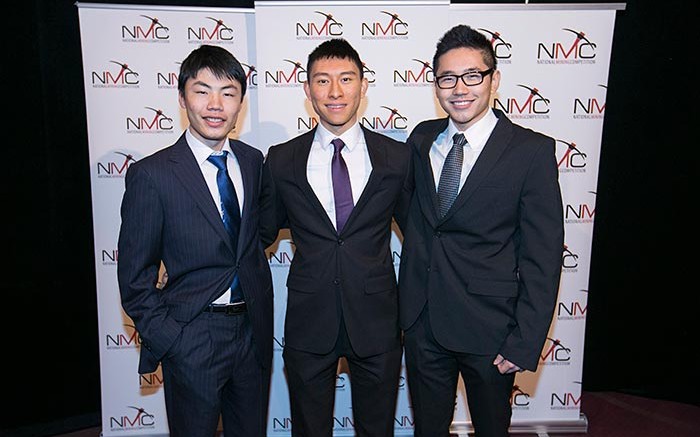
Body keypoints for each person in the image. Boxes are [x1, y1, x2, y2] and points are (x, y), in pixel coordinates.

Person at [398, 25, 564, 437]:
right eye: (447, 79)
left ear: (494, 79)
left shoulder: (531, 151)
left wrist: (525, 340)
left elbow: (542, 258)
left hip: (492, 331)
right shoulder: (421, 139)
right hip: (424, 323)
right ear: (435, 84)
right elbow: (419, 220)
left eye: (473, 75)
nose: (460, 89)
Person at [117, 45, 273, 437]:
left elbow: (253, 239)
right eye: (202, 91)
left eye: (229, 92)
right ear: (182, 97)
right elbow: (135, 278)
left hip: (251, 333)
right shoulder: (153, 175)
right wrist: (172, 339)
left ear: (241, 102)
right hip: (192, 336)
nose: (215, 104)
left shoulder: (254, 161)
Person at [260, 38, 412, 437]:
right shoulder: (281, 159)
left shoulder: (396, 158)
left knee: (377, 429)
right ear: (307, 90)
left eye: (346, 79)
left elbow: (422, 236)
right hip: (309, 322)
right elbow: (260, 233)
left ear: (363, 86)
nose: (335, 92)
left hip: (377, 320)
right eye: (322, 81)